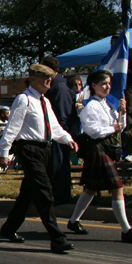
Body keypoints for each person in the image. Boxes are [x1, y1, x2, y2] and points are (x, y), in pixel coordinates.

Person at [0, 64, 78, 254]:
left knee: (28, 193)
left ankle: (9, 228)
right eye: (45, 78)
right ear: (33, 79)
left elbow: (55, 128)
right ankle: (57, 238)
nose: (49, 81)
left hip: (45, 149)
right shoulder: (24, 99)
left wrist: (68, 140)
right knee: (44, 193)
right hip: (29, 149)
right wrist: (4, 153)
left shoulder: (45, 101)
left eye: (51, 78)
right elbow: (12, 127)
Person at [67, 69, 132, 243]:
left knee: (91, 188)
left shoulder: (107, 104)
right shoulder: (91, 107)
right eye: (103, 83)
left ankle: (73, 221)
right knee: (117, 186)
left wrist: (122, 113)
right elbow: (92, 131)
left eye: (109, 83)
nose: (107, 86)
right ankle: (126, 230)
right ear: (94, 85)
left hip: (107, 147)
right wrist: (113, 129)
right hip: (97, 147)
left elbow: (119, 126)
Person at [42, 56, 77, 206]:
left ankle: (61, 197)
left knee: (59, 167)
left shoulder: (60, 88)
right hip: (55, 133)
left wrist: (58, 134)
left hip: (59, 134)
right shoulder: (56, 85)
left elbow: (61, 116)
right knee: (54, 167)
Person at [111, 31, 132, 160]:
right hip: (113, 90)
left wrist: (122, 74)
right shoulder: (110, 56)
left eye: (118, 41)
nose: (115, 44)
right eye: (113, 42)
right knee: (114, 119)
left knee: (131, 120)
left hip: (129, 89)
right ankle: (115, 152)